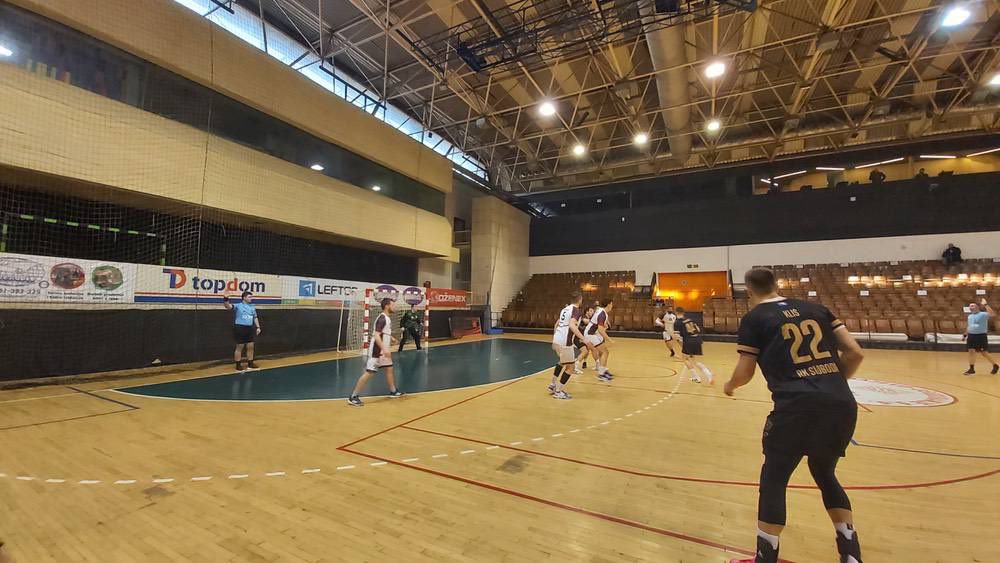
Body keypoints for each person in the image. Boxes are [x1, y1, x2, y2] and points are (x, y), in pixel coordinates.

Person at [725, 268, 865, 563]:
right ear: (776, 285)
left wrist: (730, 385)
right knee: (825, 473)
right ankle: (851, 555)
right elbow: (855, 352)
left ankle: (765, 558)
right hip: (841, 404)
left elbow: (745, 372)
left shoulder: (755, 319)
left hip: (795, 407)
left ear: (749, 291)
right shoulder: (817, 309)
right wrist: (832, 384)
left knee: (774, 478)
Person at [348, 298, 405, 406]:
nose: (395, 307)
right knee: (369, 372)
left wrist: (391, 337)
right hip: (377, 351)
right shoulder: (382, 319)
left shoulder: (386, 318)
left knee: (389, 368)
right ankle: (353, 396)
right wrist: (384, 349)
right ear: (387, 306)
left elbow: (383, 332)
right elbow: (376, 335)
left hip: (383, 351)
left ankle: (393, 391)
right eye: (393, 305)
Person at [548, 292, 594, 400]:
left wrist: (555, 337)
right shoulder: (576, 310)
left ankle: (553, 385)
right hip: (565, 340)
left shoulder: (565, 309)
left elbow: (557, 324)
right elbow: (572, 326)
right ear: (580, 299)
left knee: (562, 362)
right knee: (571, 367)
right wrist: (584, 339)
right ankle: (558, 391)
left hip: (558, 338)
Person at [223, 290, 261, 371]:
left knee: (250, 346)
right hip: (240, 328)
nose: (251, 298)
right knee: (240, 347)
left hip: (249, 328)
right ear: (244, 298)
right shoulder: (238, 306)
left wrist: (258, 327)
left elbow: (255, 317)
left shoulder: (252, 307)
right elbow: (228, 306)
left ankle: (250, 363)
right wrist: (226, 298)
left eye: (251, 297)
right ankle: (238, 365)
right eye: (249, 297)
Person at [672, 307, 712, 383]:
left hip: (688, 341)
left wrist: (680, 342)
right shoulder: (690, 320)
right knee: (695, 360)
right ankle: (708, 374)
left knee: (685, 359)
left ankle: (696, 377)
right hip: (697, 340)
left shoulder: (677, 322)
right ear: (683, 313)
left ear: (676, 312)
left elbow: (677, 337)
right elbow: (698, 330)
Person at [962, 299, 998, 375]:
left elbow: (992, 314)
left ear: (977, 307)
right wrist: (965, 335)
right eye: (970, 306)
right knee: (971, 352)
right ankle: (971, 369)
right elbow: (969, 326)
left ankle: (995, 365)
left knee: (984, 353)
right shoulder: (970, 316)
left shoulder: (983, 314)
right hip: (971, 336)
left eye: (972, 306)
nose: (971, 307)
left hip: (981, 336)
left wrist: (985, 305)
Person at [585, 299, 615, 381]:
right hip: (590, 334)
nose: (612, 306)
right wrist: (610, 340)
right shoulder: (602, 314)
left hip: (594, 333)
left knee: (603, 352)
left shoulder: (602, 312)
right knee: (605, 352)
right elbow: (601, 330)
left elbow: (600, 326)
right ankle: (601, 374)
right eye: (611, 304)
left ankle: (603, 370)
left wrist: (605, 326)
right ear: (608, 304)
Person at [574, 305, 596, 373]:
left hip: (583, 338)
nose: (592, 312)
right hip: (578, 338)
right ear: (587, 312)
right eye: (591, 311)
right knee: (585, 351)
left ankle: (584, 362)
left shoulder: (590, 318)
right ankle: (575, 366)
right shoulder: (583, 318)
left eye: (593, 311)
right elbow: (588, 322)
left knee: (588, 349)